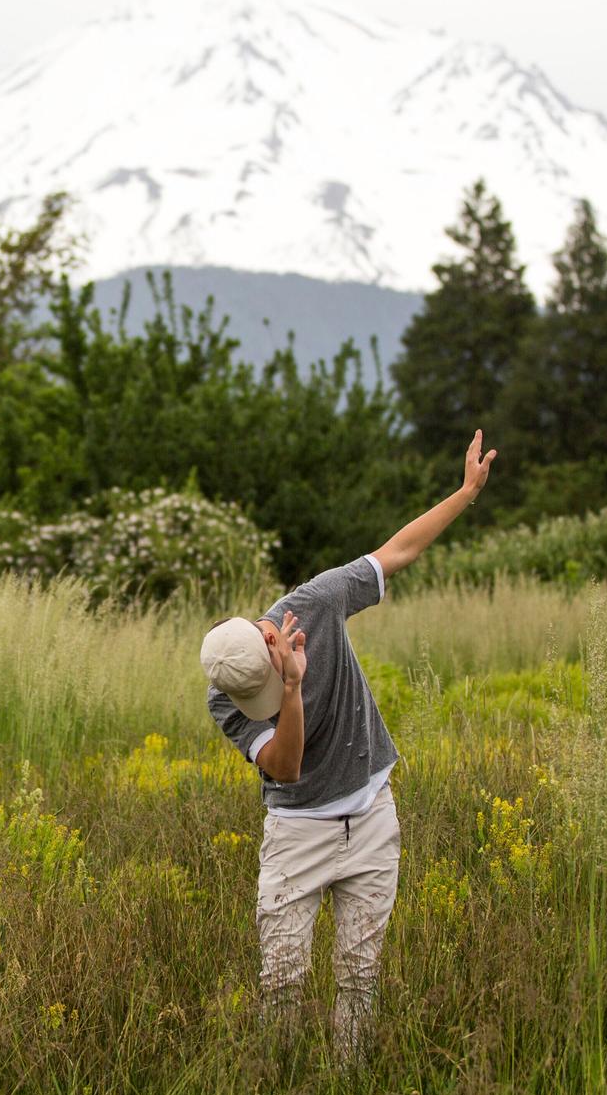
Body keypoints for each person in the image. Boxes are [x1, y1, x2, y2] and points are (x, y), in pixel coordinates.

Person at [200, 428, 497, 1062]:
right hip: (296, 832)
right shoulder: (226, 697)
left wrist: (467, 492)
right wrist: (292, 692)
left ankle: (349, 1088)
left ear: (272, 633)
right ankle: (280, 1094)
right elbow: (286, 765)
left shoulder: (317, 601)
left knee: (359, 982)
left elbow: (396, 553)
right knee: (281, 984)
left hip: (369, 815)